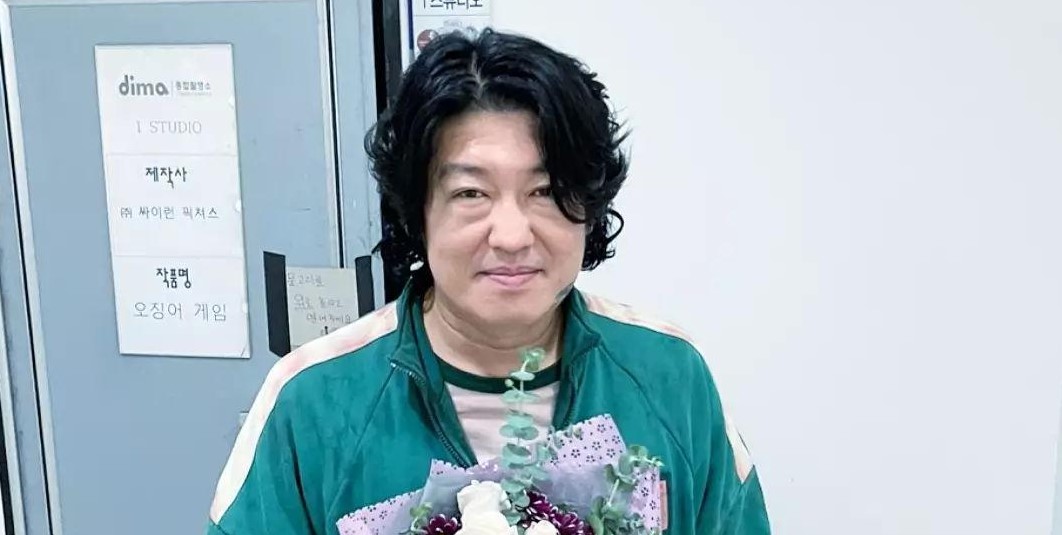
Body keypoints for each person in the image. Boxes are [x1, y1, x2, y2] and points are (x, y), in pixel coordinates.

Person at [205, 28, 770, 535]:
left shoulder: (670, 375)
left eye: (544, 191)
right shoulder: (312, 400)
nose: (511, 235)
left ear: (589, 207)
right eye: (471, 193)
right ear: (418, 212)